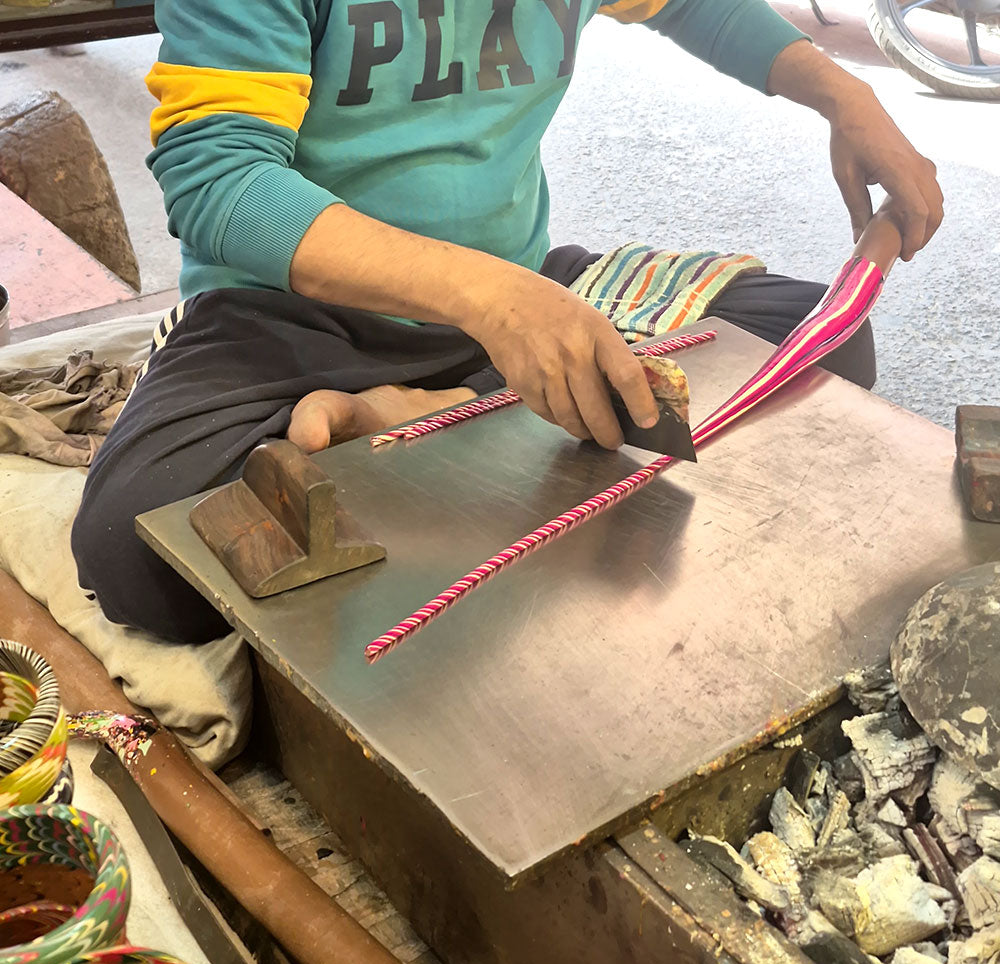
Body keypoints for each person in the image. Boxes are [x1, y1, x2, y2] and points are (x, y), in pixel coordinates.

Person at [71, 0, 943, 645]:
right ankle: (472, 428)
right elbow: (220, 180)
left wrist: (843, 94)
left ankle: (434, 422)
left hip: (516, 300)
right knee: (137, 547)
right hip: (289, 321)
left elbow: (690, 4)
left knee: (816, 343)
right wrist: (488, 298)